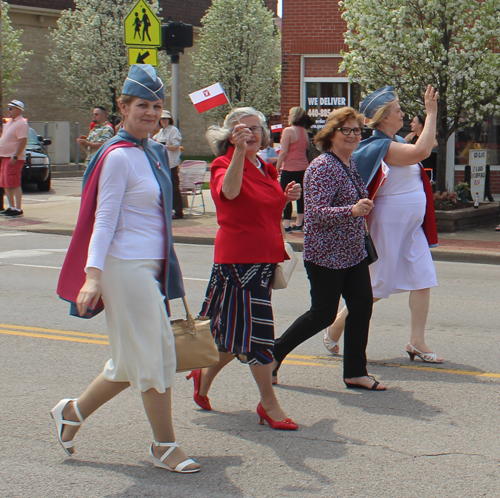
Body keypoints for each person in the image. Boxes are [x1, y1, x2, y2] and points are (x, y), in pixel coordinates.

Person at [53, 64, 200, 473]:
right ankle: (164, 446)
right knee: (157, 357)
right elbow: (103, 218)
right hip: (123, 266)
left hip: (148, 267)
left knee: (131, 360)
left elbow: (159, 218)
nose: (151, 113)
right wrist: (93, 275)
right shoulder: (117, 156)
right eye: (142, 105)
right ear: (123, 106)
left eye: (156, 106)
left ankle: (72, 413)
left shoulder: (151, 151)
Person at [187, 107, 301, 430]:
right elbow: (231, 193)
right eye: (243, 129)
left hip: (265, 260)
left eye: (256, 128)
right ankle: (269, 403)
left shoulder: (266, 167)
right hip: (238, 263)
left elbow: (268, 209)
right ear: (230, 136)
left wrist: (287, 197)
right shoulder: (224, 164)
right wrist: (237, 152)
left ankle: (202, 377)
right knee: (259, 335)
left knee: (235, 332)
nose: (251, 133)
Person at [323, 85, 443, 364]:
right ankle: (336, 325)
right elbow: (422, 151)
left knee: (423, 278)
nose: (402, 114)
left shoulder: (396, 141)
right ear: (384, 117)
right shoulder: (380, 146)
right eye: (397, 111)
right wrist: (431, 112)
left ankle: (417, 341)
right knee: (377, 285)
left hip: (411, 228)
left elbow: (424, 146)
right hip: (388, 226)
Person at [272, 107, 386, 391]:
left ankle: (355, 372)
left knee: (361, 307)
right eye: (345, 130)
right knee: (322, 314)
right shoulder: (323, 166)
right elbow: (316, 213)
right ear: (331, 134)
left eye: (357, 130)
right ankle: (274, 353)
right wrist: (352, 210)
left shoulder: (348, 163)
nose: (352, 135)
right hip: (325, 254)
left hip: (352, 252)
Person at [276, 107, 310, 232]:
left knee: (286, 195)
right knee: (301, 195)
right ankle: (299, 222)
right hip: (303, 167)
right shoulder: (304, 132)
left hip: (289, 167)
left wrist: (278, 165)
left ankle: (286, 223)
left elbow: (283, 151)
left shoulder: (288, 131)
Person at [0, 100, 29, 217]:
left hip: (14, 157)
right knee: (6, 183)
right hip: (5, 157)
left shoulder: (21, 124)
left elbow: (22, 140)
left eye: (11, 108)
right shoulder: (9, 123)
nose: (9, 111)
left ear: (18, 110)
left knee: (14, 183)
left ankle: (18, 208)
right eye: (8, 108)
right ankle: (11, 206)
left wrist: (15, 156)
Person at [153, 110, 183, 219]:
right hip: (162, 163)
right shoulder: (161, 131)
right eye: (161, 119)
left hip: (172, 163)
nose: (163, 121)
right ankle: (167, 209)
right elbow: (152, 141)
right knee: (164, 187)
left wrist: (163, 147)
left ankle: (179, 211)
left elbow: (176, 146)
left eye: (165, 119)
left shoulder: (174, 130)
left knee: (174, 187)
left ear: (169, 120)